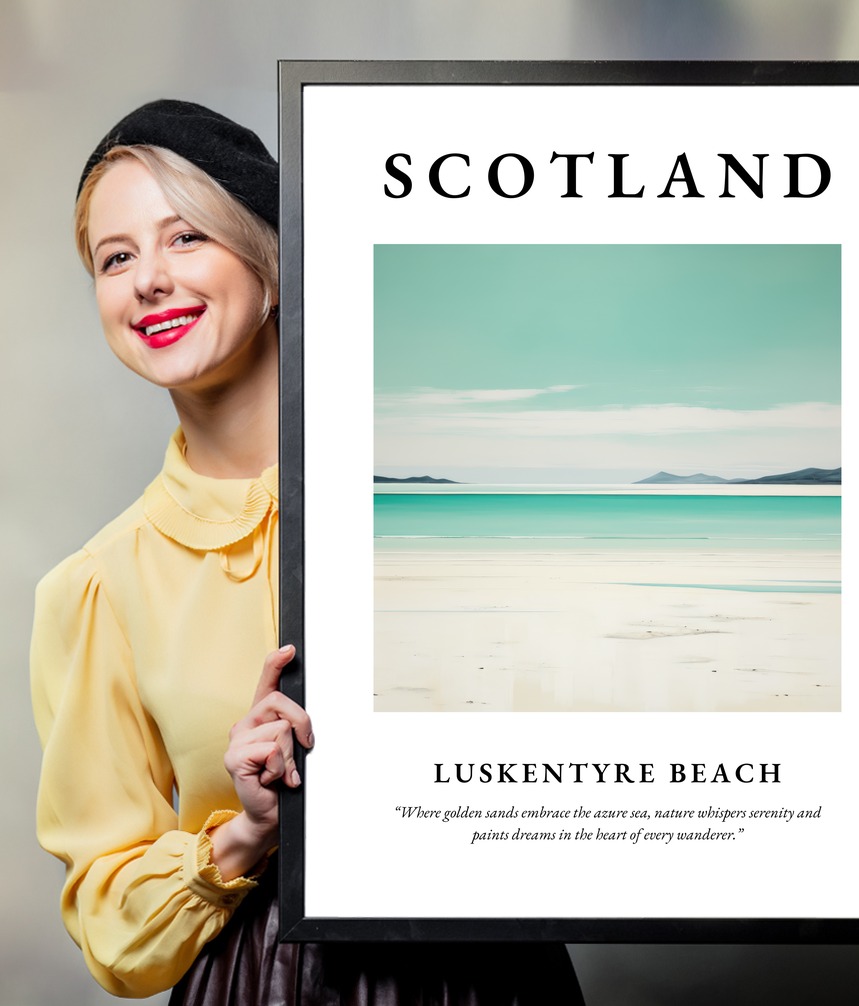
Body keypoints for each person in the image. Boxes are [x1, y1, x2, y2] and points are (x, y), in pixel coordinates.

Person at [30, 100, 585, 1004]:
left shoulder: (449, 496)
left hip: (492, 972)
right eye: (116, 257)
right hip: (262, 982)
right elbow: (110, 923)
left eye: (186, 239)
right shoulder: (97, 587)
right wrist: (245, 832)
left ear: (274, 264)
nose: (148, 281)